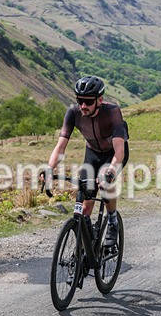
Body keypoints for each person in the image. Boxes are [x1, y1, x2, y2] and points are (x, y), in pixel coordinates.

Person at [45, 76, 128, 247]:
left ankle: (112, 221)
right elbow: (60, 147)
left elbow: (119, 150)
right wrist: (49, 169)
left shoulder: (112, 112)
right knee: (84, 205)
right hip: (92, 153)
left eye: (88, 102)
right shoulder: (73, 113)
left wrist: (111, 171)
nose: (83, 106)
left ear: (100, 100)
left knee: (106, 183)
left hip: (113, 154)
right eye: (80, 100)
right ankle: (86, 245)